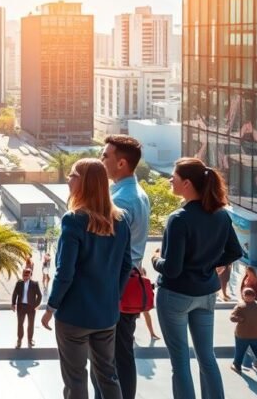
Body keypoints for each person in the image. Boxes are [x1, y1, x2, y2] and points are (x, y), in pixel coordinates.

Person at [151, 158, 243, 399]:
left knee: (180, 362)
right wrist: (212, 265)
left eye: (174, 177)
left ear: (187, 183)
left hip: (175, 296)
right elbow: (236, 251)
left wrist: (154, 259)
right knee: (207, 358)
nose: (170, 180)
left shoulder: (179, 218)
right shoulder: (221, 214)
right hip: (206, 295)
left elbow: (171, 269)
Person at [40, 158, 132, 399]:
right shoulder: (121, 221)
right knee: (108, 375)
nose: (68, 179)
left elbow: (65, 272)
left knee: (75, 379)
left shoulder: (74, 220)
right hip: (106, 315)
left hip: (73, 316)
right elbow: (126, 266)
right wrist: (113, 297)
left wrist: (51, 306)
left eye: (73, 175)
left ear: (85, 183)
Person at [99, 134, 151, 399]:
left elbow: (111, 248)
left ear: (121, 163)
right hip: (128, 282)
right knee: (121, 353)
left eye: (105, 155)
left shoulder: (122, 200)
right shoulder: (136, 193)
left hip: (116, 287)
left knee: (111, 357)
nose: (101, 159)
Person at [228, 287, 257, 382]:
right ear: (254, 296)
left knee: (240, 351)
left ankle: (237, 366)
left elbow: (232, 318)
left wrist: (240, 319)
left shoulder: (240, 305)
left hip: (242, 334)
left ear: (244, 296)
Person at [12, 268, 43, 348]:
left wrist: (36, 305)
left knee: (31, 324)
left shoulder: (35, 284)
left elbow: (39, 295)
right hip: (21, 306)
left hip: (31, 308)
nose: (25, 277)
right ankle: (19, 340)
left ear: (30, 276)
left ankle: (30, 339)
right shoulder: (19, 283)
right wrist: (13, 303)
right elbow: (15, 294)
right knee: (20, 324)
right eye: (23, 275)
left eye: (26, 275)